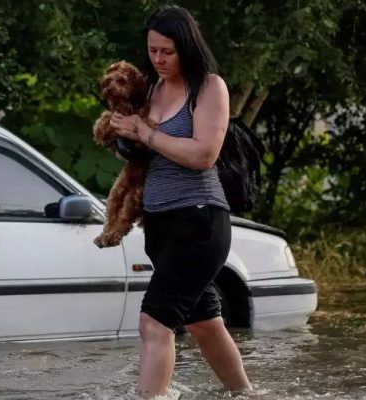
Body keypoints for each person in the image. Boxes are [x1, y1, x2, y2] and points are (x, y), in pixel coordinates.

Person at [108, 5, 253, 398]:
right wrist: (125, 136)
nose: (158, 59)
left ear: (186, 46)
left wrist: (144, 131)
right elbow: (147, 155)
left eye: (167, 51)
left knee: (153, 322)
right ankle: (246, 395)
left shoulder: (209, 87)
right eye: (152, 50)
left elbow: (203, 154)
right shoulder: (152, 89)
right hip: (159, 224)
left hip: (200, 222)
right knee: (204, 322)